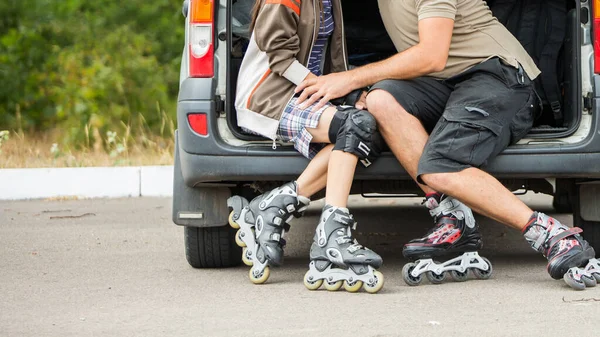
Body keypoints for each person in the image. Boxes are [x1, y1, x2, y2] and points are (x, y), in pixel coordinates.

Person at [294, 0, 599, 289]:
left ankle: (552, 235)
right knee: (380, 99)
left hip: (500, 75)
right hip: (445, 83)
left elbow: (431, 55)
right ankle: (454, 219)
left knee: (441, 166)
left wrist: (349, 79)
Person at [228, 0, 385, 293]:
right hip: (271, 96)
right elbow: (279, 57)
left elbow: (335, 60)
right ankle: (333, 236)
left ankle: (273, 204)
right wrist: (326, 89)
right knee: (355, 127)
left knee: (367, 132)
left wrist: (351, 95)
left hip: (308, 94)